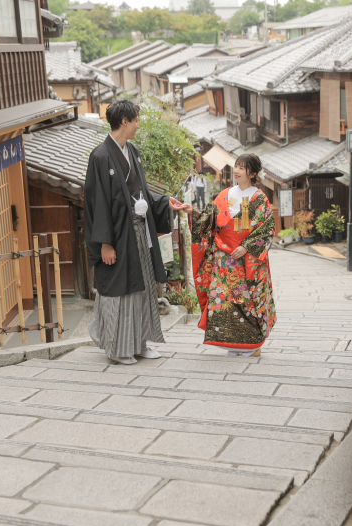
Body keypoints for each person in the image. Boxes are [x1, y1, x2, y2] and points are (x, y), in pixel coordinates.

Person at [84, 99, 189, 365]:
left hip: (139, 233)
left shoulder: (133, 151)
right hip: (117, 236)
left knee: (143, 287)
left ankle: (139, 344)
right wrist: (105, 243)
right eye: (136, 121)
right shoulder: (100, 156)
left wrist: (164, 202)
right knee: (120, 292)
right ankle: (118, 348)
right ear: (124, 122)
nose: (138, 125)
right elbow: (97, 202)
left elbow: (140, 192)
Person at [182, 154, 276, 357]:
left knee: (246, 301)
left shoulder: (259, 198)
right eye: (236, 166)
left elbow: (267, 229)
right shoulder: (225, 194)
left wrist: (247, 247)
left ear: (252, 173)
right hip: (223, 259)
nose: (237, 171)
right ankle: (232, 345)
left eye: (242, 168)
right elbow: (208, 220)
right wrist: (192, 212)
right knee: (223, 301)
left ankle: (251, 345)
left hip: (245, 259)